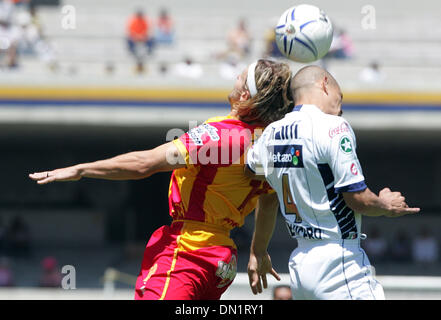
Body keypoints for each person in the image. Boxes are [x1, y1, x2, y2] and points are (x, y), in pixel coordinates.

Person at [29, 59, 294, 300]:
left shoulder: (220, 136)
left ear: (245, 94)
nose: (235, 76)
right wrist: (258, 251)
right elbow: (269, 201)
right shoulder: (271, 144)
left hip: (190, 250)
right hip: (223, 257)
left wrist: (81, 170)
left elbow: (144, 164)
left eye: (240, 76)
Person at [246, 65, 420, 300]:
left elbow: (260, 188)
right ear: (324, 83)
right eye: (341, 96)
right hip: (339, 260)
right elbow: (357, 199)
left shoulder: (270, 134)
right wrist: (385, 205)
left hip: (300, 264)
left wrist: (258, 251)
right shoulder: (334, 127)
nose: (341, 106)